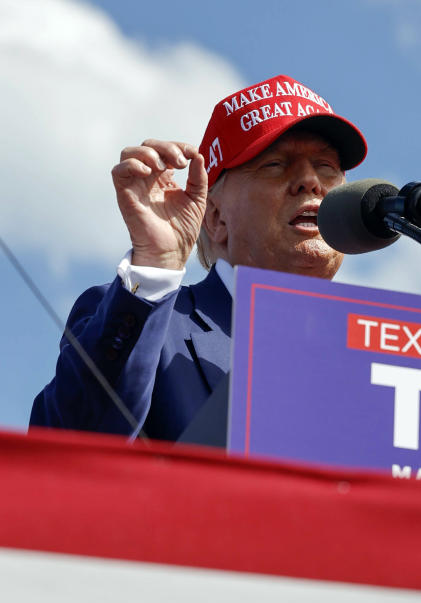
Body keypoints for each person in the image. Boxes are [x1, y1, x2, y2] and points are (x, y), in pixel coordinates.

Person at [30, 75, 367, 441]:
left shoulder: (381, 358)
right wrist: (156, 262)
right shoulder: (146, 323)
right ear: (216, 218)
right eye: (276, 164)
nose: (309, 181)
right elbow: (70, 450)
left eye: (326, 167)